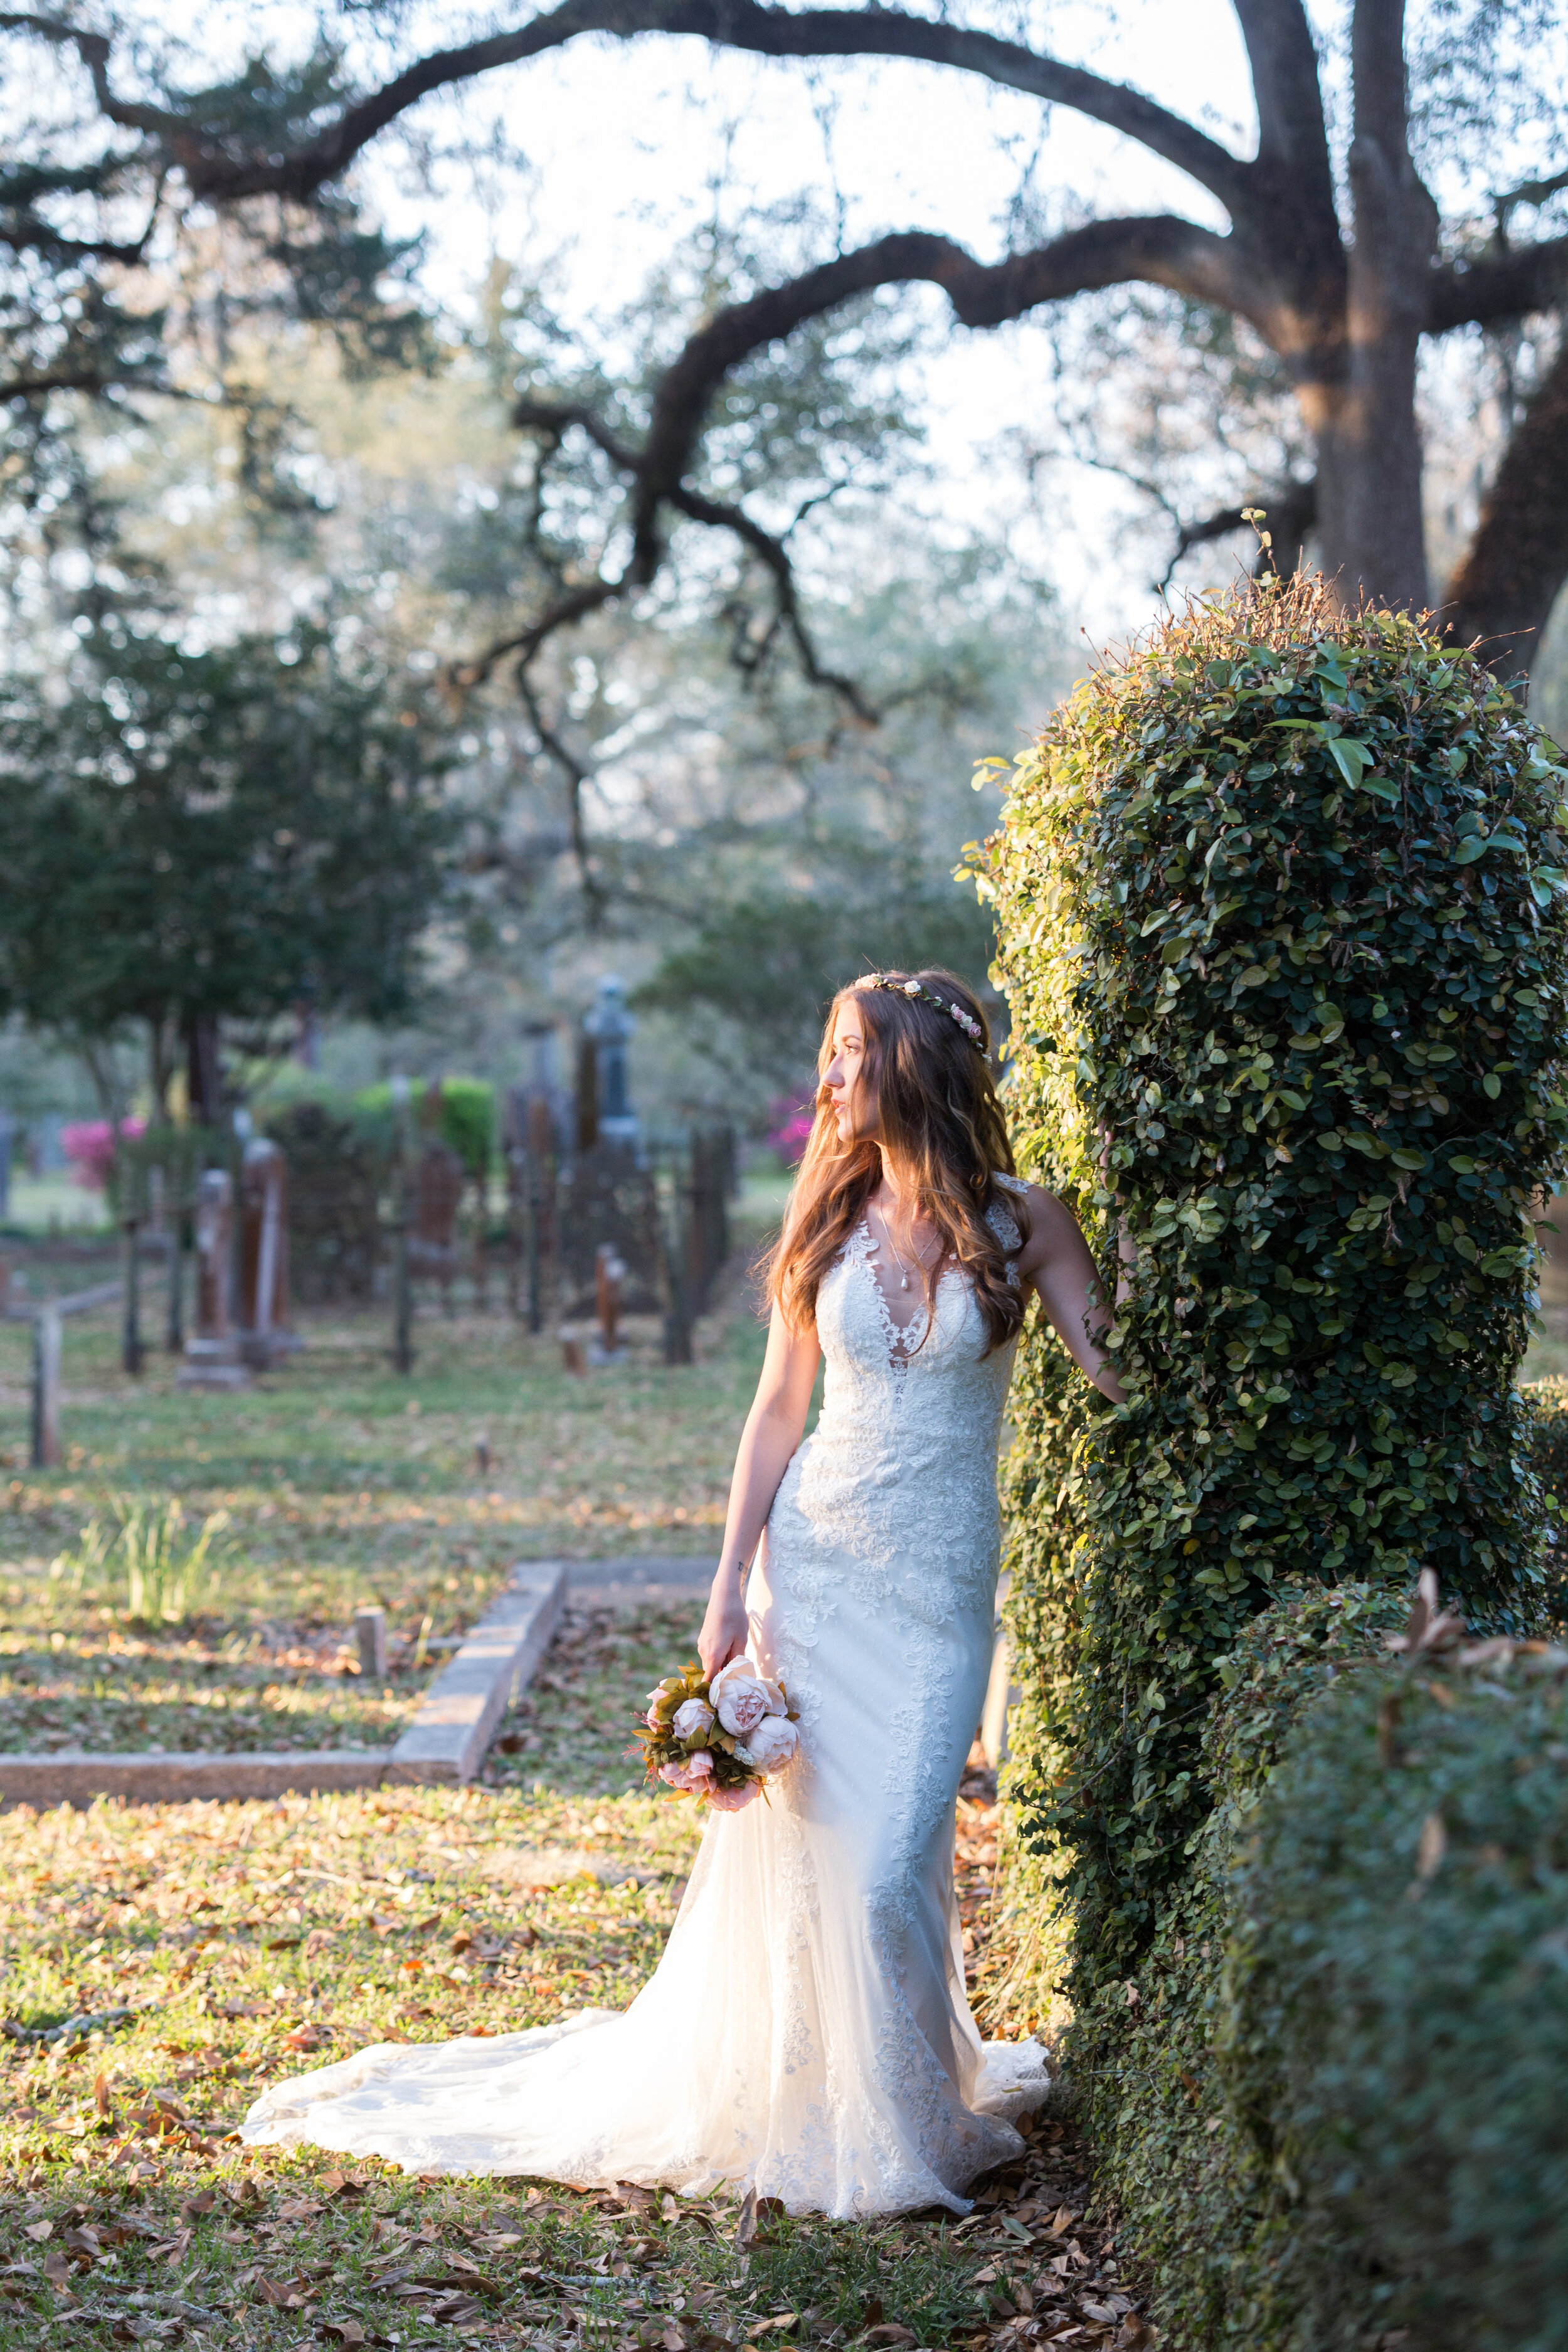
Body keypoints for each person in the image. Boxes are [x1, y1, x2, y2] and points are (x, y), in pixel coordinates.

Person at [242, 968, 1124, 2215]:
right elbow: (773, 1420)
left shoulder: (1028, 1221)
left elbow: (1110, 1366)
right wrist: (725, 1597)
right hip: (813, 1569)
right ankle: (859, 2109)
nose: (826, 1079)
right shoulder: (826, 1218)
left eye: (846, 1053)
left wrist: (1174, 1285)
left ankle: (919, 2092)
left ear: (915, 1065)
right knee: (832, 1863)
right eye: (827, 1052)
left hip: (936, 1593)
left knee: (895, 1867)